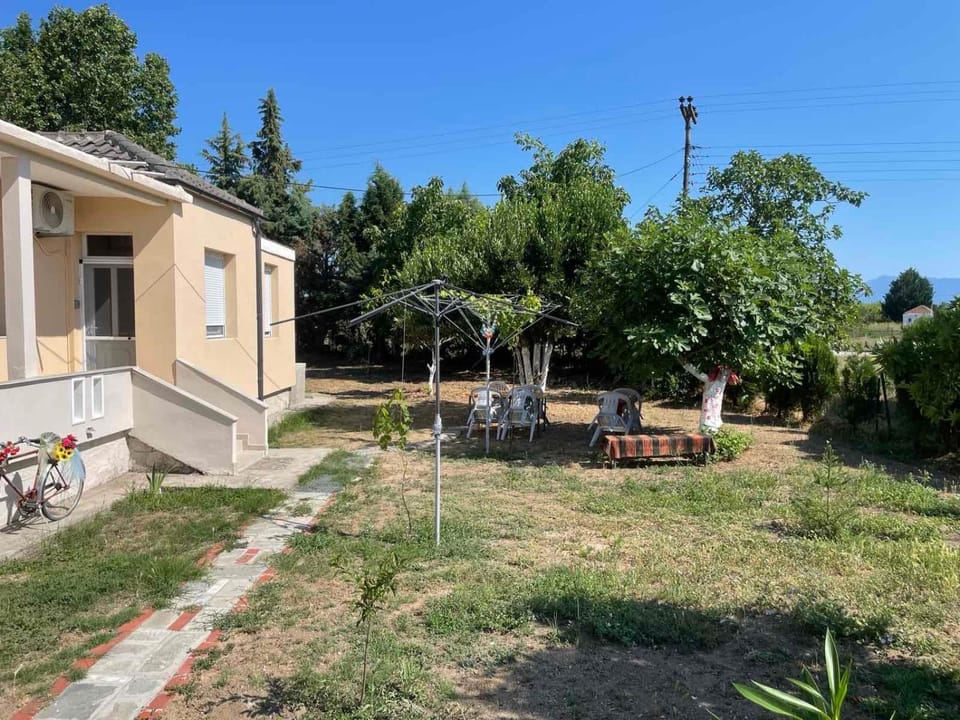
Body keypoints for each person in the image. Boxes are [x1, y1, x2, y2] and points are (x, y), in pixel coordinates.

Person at [681, 362, 741, 433]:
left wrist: (685, 364)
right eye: (721, 373)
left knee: (710, 424)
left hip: (714, 413)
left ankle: (710, 432)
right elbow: (696, 372)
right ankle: (708, 432)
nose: (723, 375)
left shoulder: (721, 382)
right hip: (708, 411)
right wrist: (685, 364)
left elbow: (734, 381)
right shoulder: (711, 380)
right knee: (706, 424)